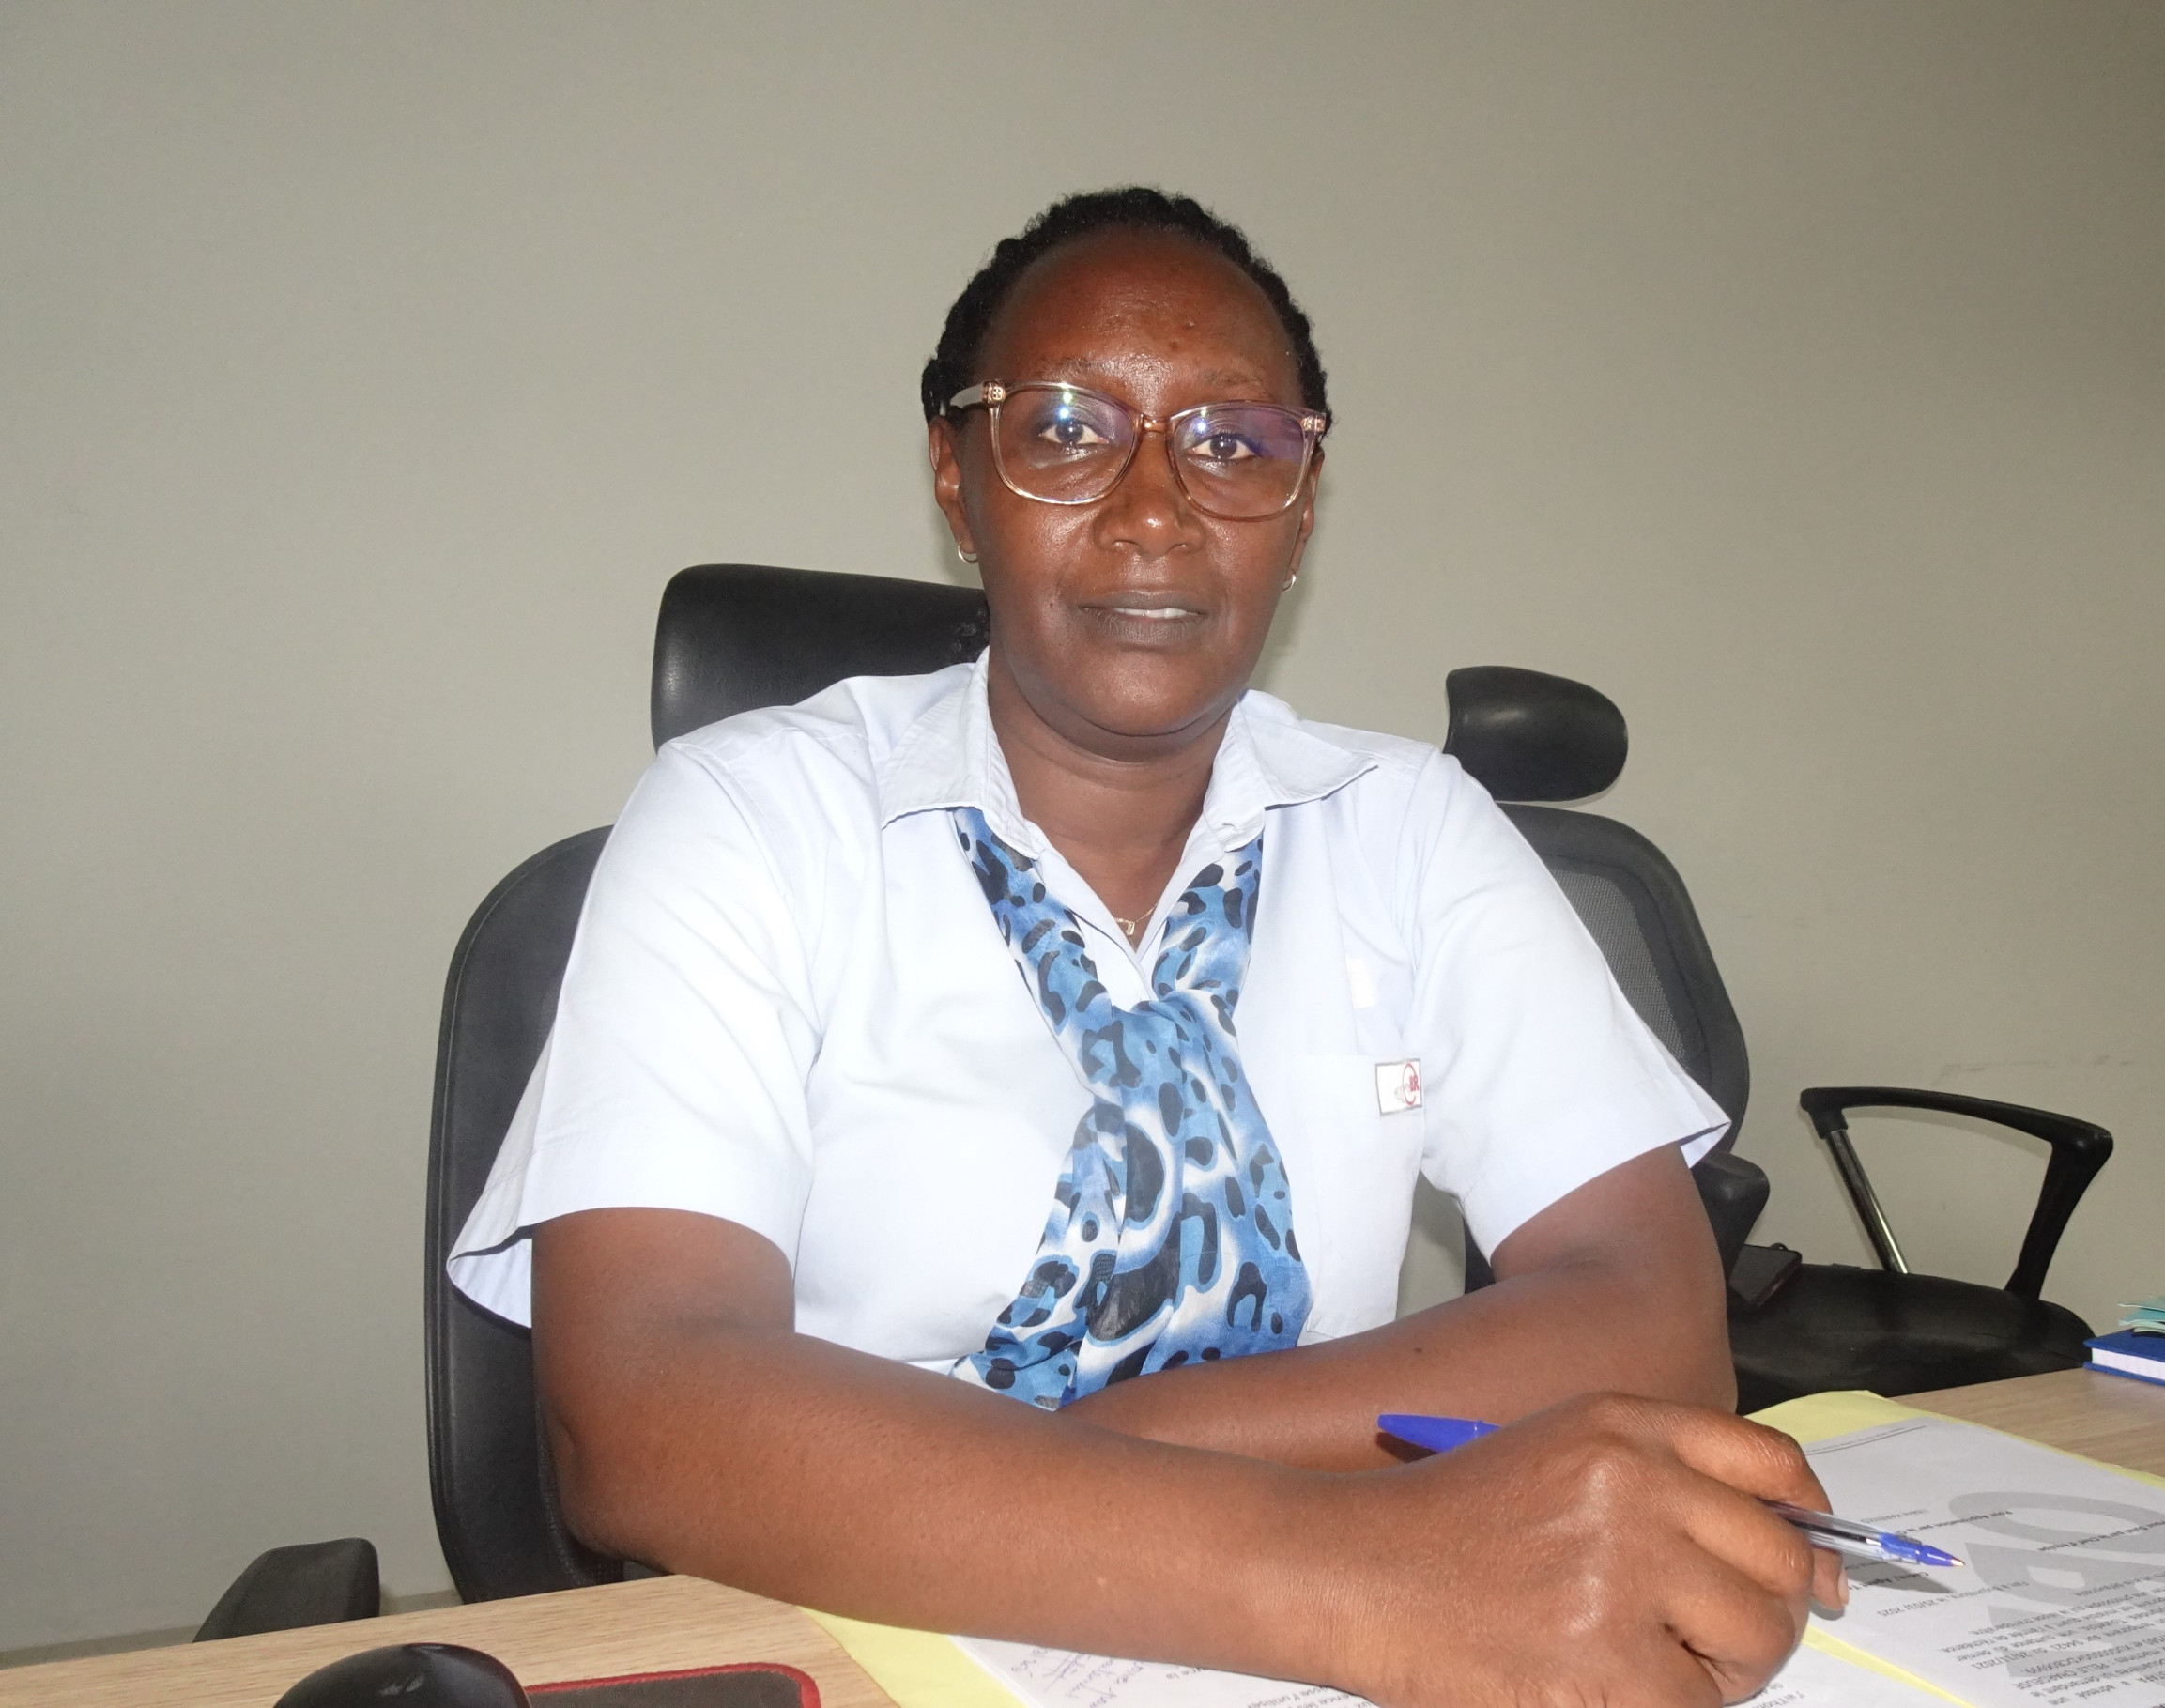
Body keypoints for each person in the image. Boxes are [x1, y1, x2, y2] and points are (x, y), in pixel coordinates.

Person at [451, 187, 1844, 1707]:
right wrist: (1357, 1573)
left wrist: (1069, 1458)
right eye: (1064, 428)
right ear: (956, 478)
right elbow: (642, 1407)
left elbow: (1649, 1318)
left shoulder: (1406, 826)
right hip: (870, 1645)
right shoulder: (747, 818)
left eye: (1232, 443)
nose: (1156, 508)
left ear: (1299, 507)